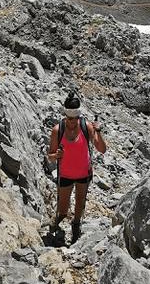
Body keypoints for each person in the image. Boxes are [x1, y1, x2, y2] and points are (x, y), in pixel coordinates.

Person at [47, 91, 107, 244]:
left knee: (80, 202)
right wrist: (57, 155)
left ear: (79, 116)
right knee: (63, 208)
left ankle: (76, 226)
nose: (72, 121)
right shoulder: (57, 130)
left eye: (75, 118)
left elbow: (102, 149)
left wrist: (98, 131)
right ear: (65, 116)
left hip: (83, 174)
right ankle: (57, 222)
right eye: (69, 118)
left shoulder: (86, 126)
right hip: (65, 175)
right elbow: (50, 155)